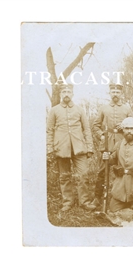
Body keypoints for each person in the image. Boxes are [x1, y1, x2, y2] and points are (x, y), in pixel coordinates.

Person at [46, 84, 97, 212]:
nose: (66, 94)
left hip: (79, 147)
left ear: (73, 94)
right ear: (60, 94)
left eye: (69, 91)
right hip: (61, 148)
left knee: (83, 174)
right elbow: (49, 130)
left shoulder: (79, 110)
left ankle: (84, 201)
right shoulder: (54, 110)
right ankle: (67, 202)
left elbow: (86, 129)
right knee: (64, 176)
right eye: (64, 91)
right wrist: (50, 148)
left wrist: (90, 147)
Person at [92, 83, 133, 203]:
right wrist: (101, 136)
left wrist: (124, 125)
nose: (115, 94)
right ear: (110, 93)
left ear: (121, 94)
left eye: (118, 92)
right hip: (106, 142)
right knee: (102, 170)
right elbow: (95, 125)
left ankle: (122, 196)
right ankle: (98, 197)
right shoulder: (103, 108)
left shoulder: (127, 109)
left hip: (122, 142)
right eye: (113, 92)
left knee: (121, 169)